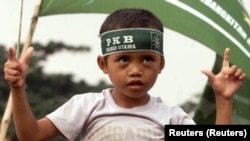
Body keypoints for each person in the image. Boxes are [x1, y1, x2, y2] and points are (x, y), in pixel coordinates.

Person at [4, 8, 246, 141]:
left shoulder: (171, 116)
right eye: (123, 60)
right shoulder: (89, 106)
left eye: (147, 59)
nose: (136, 70)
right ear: (103, 64)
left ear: (161, 64)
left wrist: (224, 100)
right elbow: (31, 136)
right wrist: (18, 87)